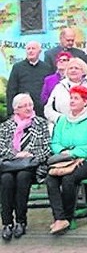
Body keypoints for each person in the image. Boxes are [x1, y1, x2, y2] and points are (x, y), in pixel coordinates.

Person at [46, 86, 87, 235]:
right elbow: (55, 142)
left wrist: (74, 152)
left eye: (76, 98)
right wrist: (63, 153)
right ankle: (59, 217)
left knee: (69, 178)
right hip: (65, 160)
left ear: (85, 102)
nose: (72, 101)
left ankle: (67, 216)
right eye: (71, 98)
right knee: (51, 178)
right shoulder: (63, 120)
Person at [0, 94, 51, 241]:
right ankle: (8, 223)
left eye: (30, 105)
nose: (29, 108)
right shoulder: (5, 126)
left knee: (23, 177)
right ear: (16, 109)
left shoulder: (40, 123)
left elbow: (46, 149)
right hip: (9, 165)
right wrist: (17, 154)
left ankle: (21, 221)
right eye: (25, 106)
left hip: (32, 166)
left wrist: (29, 155)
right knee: (6, 179)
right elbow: (1, 148)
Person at [44, 58, 87, 128]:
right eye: (70, 68)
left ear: (83, 71)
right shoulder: (59, 87)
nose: (73, 70)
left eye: (76, 68)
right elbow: (48, 109)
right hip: (63, 126)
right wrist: (60, 119)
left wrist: (84, 118)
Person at [7, 41, 50, 117]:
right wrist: (11, 112)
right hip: (22, 111)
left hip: (41, 111)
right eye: (28, 49)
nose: (30, 51)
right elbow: (11, 90)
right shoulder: (17, 67)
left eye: (33, 48)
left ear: (39, 51)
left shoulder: (47, 68)